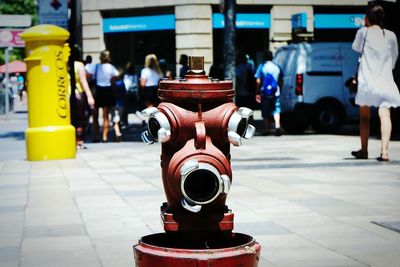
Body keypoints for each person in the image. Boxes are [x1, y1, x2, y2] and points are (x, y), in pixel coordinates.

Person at [351, 4, 400, 161]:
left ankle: (364, 150)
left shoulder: (363, 32)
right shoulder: (391, 35)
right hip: (385, 80)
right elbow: (394, 57)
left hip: (367, 81)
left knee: (364, 116)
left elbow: (355, 47)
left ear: (366, 19)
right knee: (385, 114)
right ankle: (384, 152)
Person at [87, 50, 120, 142]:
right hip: (107, 91)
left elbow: (88, 75)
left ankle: (96, 136)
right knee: (105, 116)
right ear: (108, 57)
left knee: (95, 115)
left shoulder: (96, 66)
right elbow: (117, 76)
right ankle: (104, 137)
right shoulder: (111, 67)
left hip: (97, 91)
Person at [70, 45, 95, 149]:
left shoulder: (63, 64)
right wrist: (90, 96)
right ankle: (79, 141)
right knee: (80, 119)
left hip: (65, 95)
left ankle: (71, 141)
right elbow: (83, 81)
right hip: (78, 95)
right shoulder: (79, 65)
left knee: (70, 119)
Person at [255, 50, 283, 136]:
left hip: (265, 93)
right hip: (275, 92)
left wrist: (257, 92)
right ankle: (277, 126)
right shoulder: (277, 66)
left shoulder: (262, 66)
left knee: (265, 110)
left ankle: (267, 129)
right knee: (276, 109)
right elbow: (281, 80)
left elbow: (258, 80)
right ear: (272, 57)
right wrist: (280, 89)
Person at [122, 61, 143, 126]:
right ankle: (142, 118)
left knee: (125, 109)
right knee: (135, 109)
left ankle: (125, 122)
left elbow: (126, 86)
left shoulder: (126, 76)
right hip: (135, 94)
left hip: (127, 94)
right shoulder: (136, 76)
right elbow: (138, 85)